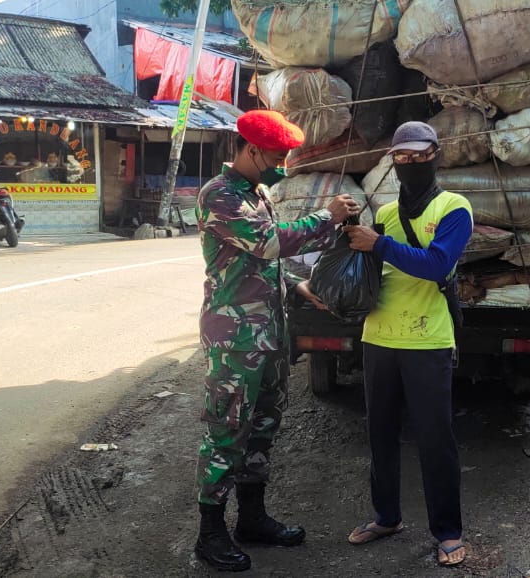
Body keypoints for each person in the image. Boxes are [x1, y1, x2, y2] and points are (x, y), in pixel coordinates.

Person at [193, 109, 361, 573]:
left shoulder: (258, 192)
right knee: (226, 433)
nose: (281, 163)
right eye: (276, 155)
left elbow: (262, 264)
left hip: (268, 335)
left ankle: (252, 518)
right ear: (250, 149)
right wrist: (324, 218)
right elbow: (268, 244)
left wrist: (299, 287)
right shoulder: (219, 196)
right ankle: (210, 533)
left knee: (263, 428)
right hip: (235, 341)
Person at [338, 121, 474, 567]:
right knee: (379, 435)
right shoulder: (385, 214)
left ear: (436, 154)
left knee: (435, 439)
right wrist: (346, 232)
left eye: (420, 156)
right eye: (403, 157)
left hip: (428, 341)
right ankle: (387, 516)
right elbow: (371, 267)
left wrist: (378, 245)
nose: (412, 164)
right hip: (378, 337)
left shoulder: (455, 208)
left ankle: (448, 531)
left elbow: (437, 265)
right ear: (392, 161)